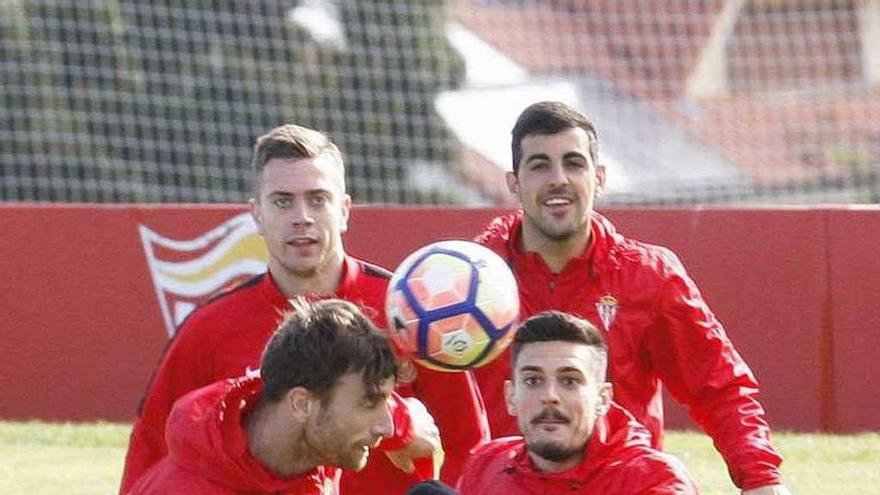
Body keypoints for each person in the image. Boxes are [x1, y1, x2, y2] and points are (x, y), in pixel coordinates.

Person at [121, 124, 489, 494]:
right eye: (282, 201)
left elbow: (468, 443)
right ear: (257, 214)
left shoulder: (409, 311)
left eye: (317, 199)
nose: (302, 217)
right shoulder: (210, 328)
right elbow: (151, 452)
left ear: (344, 209)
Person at [472, 101, 791, 494]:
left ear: (599, 177)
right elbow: (399, 380)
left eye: (574, 163)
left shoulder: (648, 276)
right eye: (540, 165)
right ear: (513, 182)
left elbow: (719, 385)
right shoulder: (470, 280)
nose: (559, 179)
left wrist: (761, 478)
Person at [130, 298, 432, 494]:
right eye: (370, 403)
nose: (386, 426)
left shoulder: (305, 436)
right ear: (301, 403)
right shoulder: (182, 488)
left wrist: (405, 424)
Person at [457, 311, 698, 494]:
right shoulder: (487, 464)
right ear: (511, 397)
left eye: (569, 381)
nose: (550, 395)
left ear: (602, 400)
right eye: (533, 381)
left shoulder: (654, 480)